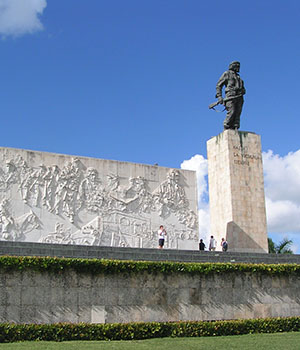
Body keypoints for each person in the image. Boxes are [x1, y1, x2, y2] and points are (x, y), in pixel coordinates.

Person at [215, 61, 246, 130]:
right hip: (230, 96)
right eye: (237, 66)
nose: (238, 68)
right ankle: (227, 126)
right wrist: (219, 96)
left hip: (239, 97)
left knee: (238, 113)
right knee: (231, 112)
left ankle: (235, 127)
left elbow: (242, 87)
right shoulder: (227, 74)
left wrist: (243, 90)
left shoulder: (239, 77)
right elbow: (219, 85)